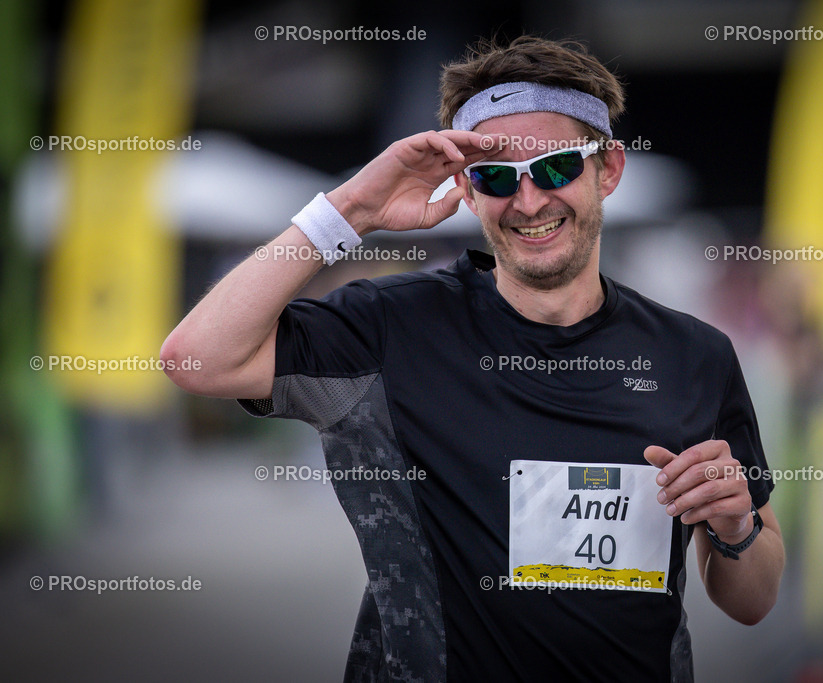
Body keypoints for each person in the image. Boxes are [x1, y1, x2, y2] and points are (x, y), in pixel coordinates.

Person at [162, 35, 784, 682]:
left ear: (610, 169)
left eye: (554, 167)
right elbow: (196, 360)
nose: (529, 201)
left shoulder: (694, 355)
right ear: (465, 187)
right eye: (495, 177)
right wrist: (350, 210)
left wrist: (735, 523)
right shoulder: (391, 328)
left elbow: (753, 598)